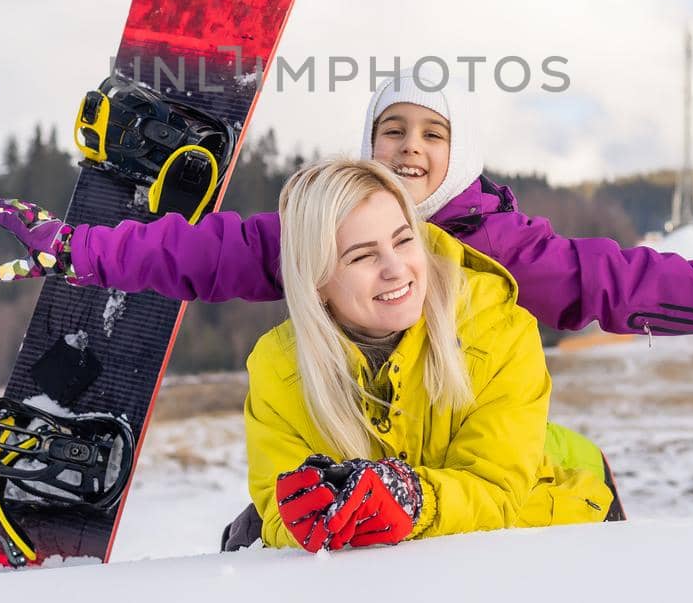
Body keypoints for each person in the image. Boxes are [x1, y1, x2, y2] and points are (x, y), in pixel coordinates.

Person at [0, 74, 693, 343]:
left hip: (461, 436)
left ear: (458, 152)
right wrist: (85, 249)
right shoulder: (328, 222)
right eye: (390, 130)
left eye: (430, 134)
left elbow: (613, 279)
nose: (408, 147)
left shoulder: (500, 242)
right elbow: (208, 252)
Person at [246, 158, 614, 551]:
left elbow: (495, 489)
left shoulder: (497, 329)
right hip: (391, 567)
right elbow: (275, 509)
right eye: (362, 256)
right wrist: (306, 516)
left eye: (404, 240)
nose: (395, 269)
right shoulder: (278, 367)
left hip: (540, 527)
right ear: (316, 280)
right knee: (244, 532)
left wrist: (412, 499)